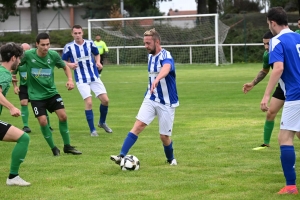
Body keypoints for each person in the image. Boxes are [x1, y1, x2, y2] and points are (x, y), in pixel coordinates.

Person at [110, 28, 179, 166]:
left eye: (148, 43)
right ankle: (121, 156)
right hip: (150, 98)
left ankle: (171, 159)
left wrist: (157, 79)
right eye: (144, 43)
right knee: (138, 125)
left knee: (164, 136)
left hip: (166, 102)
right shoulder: (150, 56)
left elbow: (166, 68)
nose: (145, 46)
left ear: (157, 42)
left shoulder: (166, 56)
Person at [20, 33, 82, 156]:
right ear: (37, 44)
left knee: (63, 116)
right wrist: (10, 74)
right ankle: (54, 148)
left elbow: (65, 67)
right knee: (43, 122)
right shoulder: (28, 55)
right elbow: (15, 63)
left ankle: (67, 146)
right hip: (36, 96)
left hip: (52, 93)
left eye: (48, 44)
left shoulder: (53, 55)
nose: (46, 47)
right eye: (43, 45)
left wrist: (70, 80)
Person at [261, 7, 300, 194]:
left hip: (295, 95)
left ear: (272, 23)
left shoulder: (277, 41)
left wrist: (266, 95)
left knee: (284, 138)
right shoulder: (298, 37)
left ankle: (291, 186)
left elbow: (278, 69)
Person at [62, 25, 112, 136]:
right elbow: (63, 61)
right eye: (75, 33)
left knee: (105, 100)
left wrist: (98, 62)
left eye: (79, 33)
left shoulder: (90, 43)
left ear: (82, 33)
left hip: (94, 77)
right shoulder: (69, 47)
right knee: (88, 102)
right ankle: (93, 130)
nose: (77, 35)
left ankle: (102, 122)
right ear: (72, 34)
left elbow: (97, 53)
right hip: (81, 79)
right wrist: (69, 64)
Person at [243, 31, 284, 150]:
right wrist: (252, 83)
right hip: (282, 87)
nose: (266, 47)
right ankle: (266, 143)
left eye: (268, 43)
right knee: (270, 113)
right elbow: (265, 70)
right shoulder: (267, 55)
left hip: (295, 87)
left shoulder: (283, 50)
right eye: (264, 44)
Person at [0, 42, 31, 186]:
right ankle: (13, 177)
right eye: (19, 58)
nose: (19, 62)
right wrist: (11, 107)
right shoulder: (4, 74)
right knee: (23, 138)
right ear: (13, 58)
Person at [12, 43, 53, 133]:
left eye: (27, 50)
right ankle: (26, 126)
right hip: (24, 86)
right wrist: (15, 86)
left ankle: (48, 125)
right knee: (23, 102)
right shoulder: (19, 63)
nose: (25, 53)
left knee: (43, 104)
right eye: (23, 51)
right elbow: (13, 74)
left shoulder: (34, 61)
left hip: (36, 86)